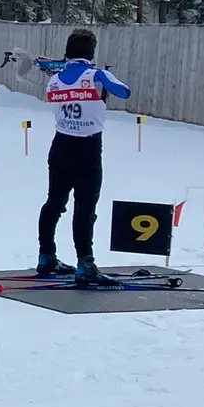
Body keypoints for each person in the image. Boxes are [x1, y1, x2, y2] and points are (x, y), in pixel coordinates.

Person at [34, 28, 131, 286]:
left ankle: (46, 256)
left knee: (54, 202)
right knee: (85, 209)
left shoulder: (55, 79)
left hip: (60, 145)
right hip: (87, 149)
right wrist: (102, 77)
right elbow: (124, 91)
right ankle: (85, 264)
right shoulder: (96, 75)